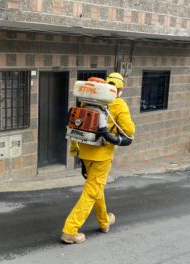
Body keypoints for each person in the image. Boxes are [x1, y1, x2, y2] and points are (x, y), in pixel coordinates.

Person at [61, 72, 135, 244]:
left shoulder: (88, 100)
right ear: (120, 88)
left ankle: (104, 222)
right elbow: (129, 130)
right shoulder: (119, 104)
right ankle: (70, 230)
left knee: (96, 188)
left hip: (85, 151)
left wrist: (75, 150)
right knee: (91, 191)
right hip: (102, 155)